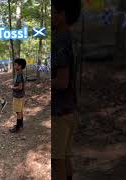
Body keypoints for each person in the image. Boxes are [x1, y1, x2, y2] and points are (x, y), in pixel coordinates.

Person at [52, 0, 81, 180]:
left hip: (59, 111)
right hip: (69, 108)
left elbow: (62, 81)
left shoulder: (60, 40)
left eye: (52, 11)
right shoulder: (70, 36)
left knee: (57, 161)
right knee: (66, 156)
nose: (50, 15)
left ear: (62, 15)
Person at [9, 58, 26, 133]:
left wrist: (13, 87)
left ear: (20, 66)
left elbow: (20, 87)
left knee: (18, 111)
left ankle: (18, 127)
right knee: (20, 110)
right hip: (21, 96)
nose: (14, 66)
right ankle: (21, 124)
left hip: (18, 96)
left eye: (16, 65)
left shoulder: (19, 74)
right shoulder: (20, 73)